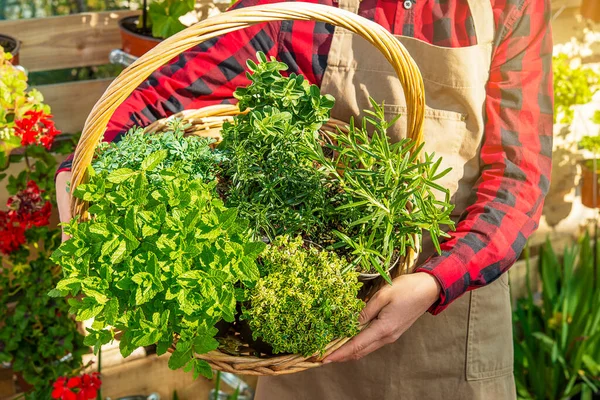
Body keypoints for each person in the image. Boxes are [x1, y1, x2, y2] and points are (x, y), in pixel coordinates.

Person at [55, 0, 553, 398]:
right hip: (308, 332)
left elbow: (518, 175)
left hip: (450, 321)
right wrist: (74, 184)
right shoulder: (312, 6)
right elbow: (152, 98)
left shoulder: (510, 6)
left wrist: (431, 281)